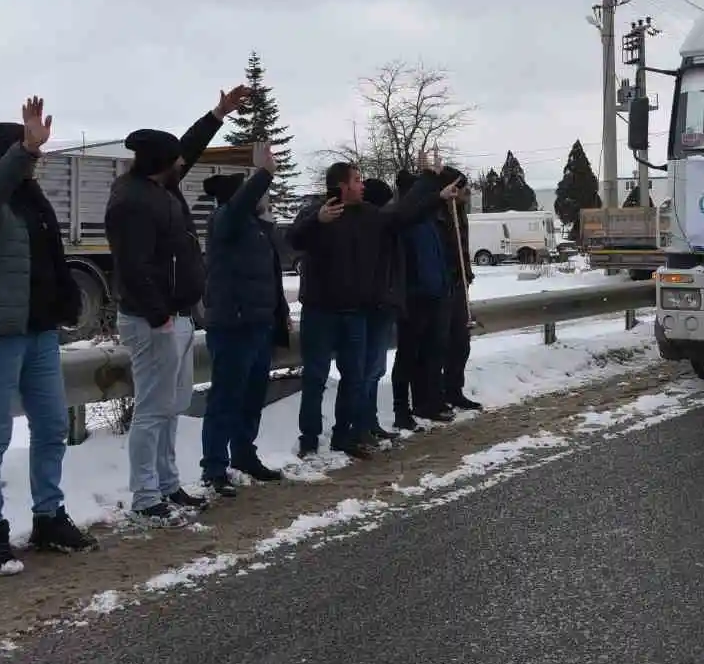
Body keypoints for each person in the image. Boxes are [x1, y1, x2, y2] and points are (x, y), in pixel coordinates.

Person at [0, 96, 98, 575]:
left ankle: (49, 517)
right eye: (25, 150)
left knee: (52, 427)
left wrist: (66, 298)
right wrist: (23, 152)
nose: (36, 160)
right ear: (4, 155)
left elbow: (47, 254)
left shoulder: (31, 198)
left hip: (38, 332)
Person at [105, 84, 250, 525]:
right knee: (152, 410)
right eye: (175, 161)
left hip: (177, 315)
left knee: (172, 405)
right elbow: (134, 266)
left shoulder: (159, 187)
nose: (182, 163)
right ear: (159, 165)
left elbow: (185, 148)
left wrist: (217, 114)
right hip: (155, 320)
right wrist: (159, 314)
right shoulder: (132, 201)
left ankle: (167, 484)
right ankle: (146, 496)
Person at [288, 162, 457, 460]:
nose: (362, 184)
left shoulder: (368, 215)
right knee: (315, 377)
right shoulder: (317, 211)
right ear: (342, 185)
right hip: (319, 312)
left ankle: (345, 436)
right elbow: (293, 240)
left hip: (355, 311)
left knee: (354, 377)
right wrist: (318, 220)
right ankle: (309, 439)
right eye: (357, 180)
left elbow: (403, 216)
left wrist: (437, 196)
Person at [198, 143, 290, 497]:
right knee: (226, 397)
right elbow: (239, 206)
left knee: (252, 396)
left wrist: (279, 316)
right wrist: (263, 173)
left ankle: (243, 454)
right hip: (232, 327)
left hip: (258, 323)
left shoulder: (254, 228)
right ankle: (214, 466)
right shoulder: (225, 220)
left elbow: (270, 276)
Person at [395, 165, 459, 427]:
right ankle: (402, 409)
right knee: (408, 355)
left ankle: (428, 402)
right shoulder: (405, 221)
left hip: (435, 293)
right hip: (414, 296)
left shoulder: (431, 222)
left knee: (433, 353)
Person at [359, 177, 401, 442]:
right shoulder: (376, 226)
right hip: (376, 304)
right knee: (369, 369)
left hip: (382, 303)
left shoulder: (379, 225)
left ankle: (369, 420)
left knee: (374, 369)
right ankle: (363, 422)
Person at [437, 175, 482, 412]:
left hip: (460, 284)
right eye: (463, 187)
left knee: (462, 342)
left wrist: (467, 273)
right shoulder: (439, 215)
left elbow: (463, 247)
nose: (467, 192)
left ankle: (455, 390)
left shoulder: (461, 213)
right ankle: (439, 392)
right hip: (445, 285)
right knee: (444, 342)